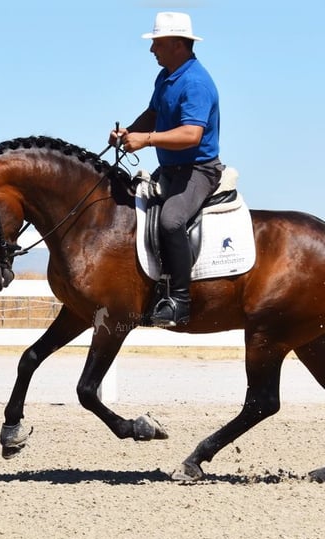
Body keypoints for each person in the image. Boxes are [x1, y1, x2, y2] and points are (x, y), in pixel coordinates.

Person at [110, 11, 223, 327]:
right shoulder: (166, 77)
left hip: (198, 171)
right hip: (172, 170)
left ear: (176, 44)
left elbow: (191, 135)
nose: (151, 50)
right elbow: (153, 112)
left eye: (156, 43)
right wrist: (127, 133)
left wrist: (145, 140)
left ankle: (180, 302)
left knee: (172, 220)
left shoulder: (196, 82)